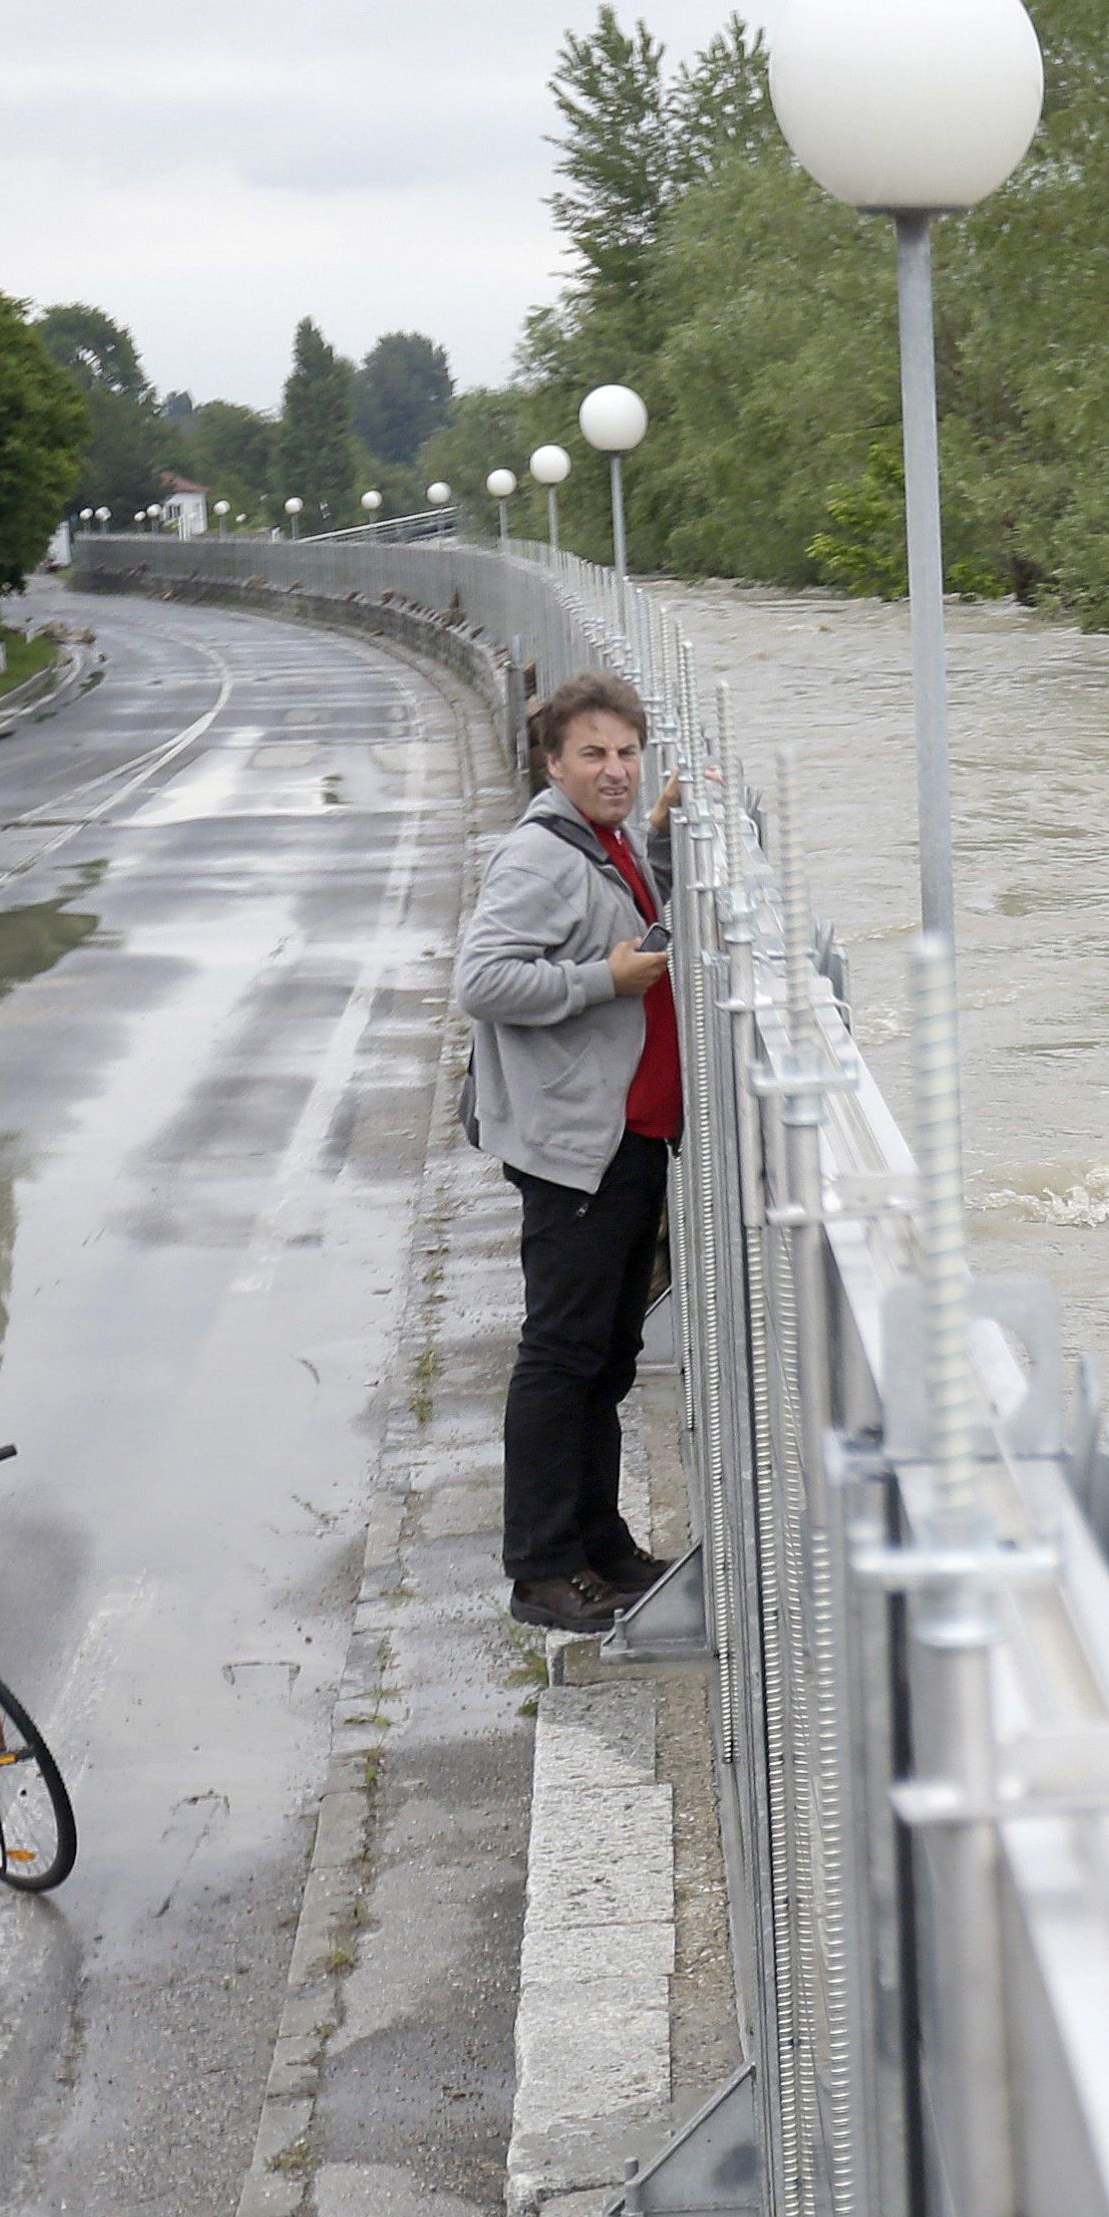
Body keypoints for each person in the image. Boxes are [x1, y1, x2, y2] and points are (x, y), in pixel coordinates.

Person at [455, 670, 683, 1630]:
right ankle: (544, 1568)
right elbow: (483, 979)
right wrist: (601, 981)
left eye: (627, 751)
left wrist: (661, 837)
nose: (616, 768)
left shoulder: (607, 839)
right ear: (553, 762)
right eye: (593, 752)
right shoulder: (541, 855)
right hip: (576, 1144)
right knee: (561, 1355)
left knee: (607, 1354)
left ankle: (599, 1542)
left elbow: (632, 919)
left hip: (623, 1135)